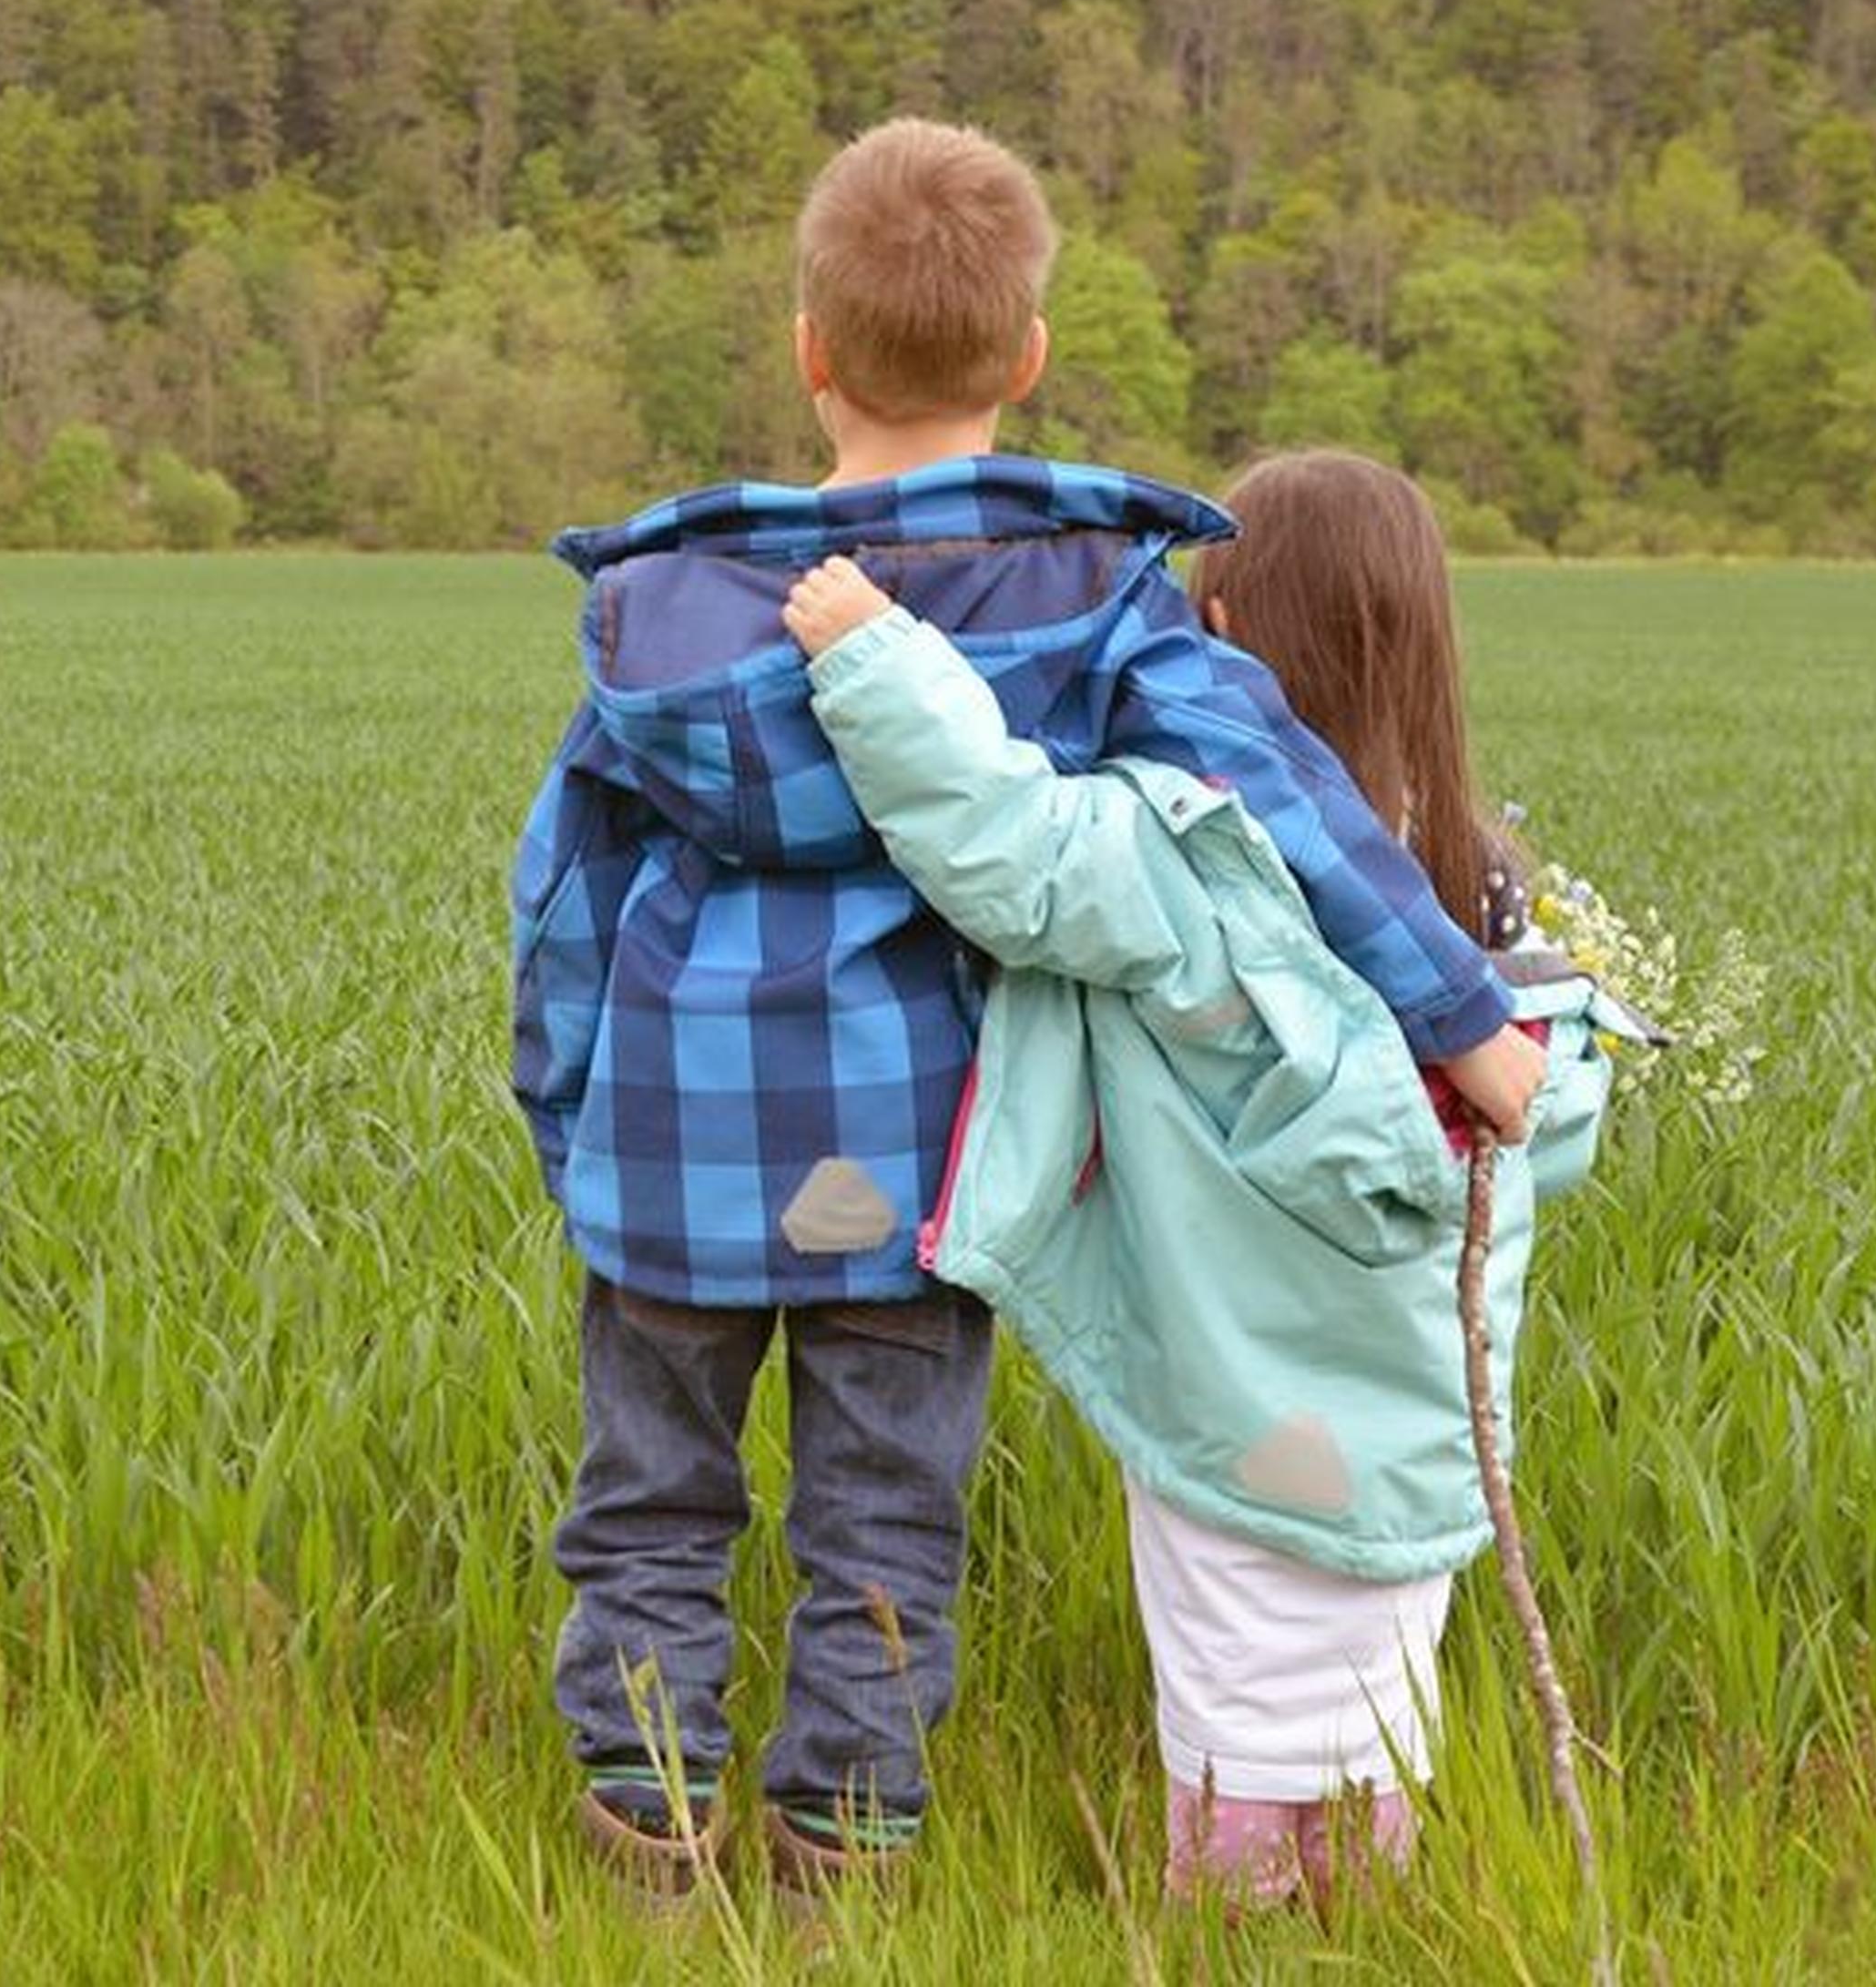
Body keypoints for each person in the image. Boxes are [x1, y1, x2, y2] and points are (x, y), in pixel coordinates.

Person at [512, 123, 1547, 1905]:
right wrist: (1463, 1014)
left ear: (810, 351)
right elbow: (1287, 800)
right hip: (924, 1162)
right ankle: (844, 1860)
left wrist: (571, 1115)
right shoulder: (1091, 597)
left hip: (673, 1155)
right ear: (1032, 357)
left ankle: (649, 1835)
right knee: (884, 1519)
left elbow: (565, 899)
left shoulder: (663, 612)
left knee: (651, 1499)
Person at [779, 450, 1612, 1910]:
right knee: (1371, 1703)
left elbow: (1010, 844)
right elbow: (1530, 1121)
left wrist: (876, 657)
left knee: (1237, 1685)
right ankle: (1368, 1924)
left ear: (1215, 636)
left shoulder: (1198, 850)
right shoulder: (1475, 882)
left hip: (1236, 1383)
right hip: (1420, 1407)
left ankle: (1224, 1927)